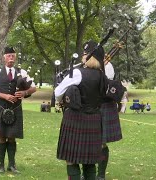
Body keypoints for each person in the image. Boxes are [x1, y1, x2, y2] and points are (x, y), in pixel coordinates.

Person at [55, 40, 106, 180]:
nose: (83, 56)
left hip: (75, 119)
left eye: (85, 53)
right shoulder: (103, 76)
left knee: (71, 159)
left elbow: (58, 92)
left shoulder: (78, 73)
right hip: (95, 120)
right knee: (89, 161)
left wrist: (62, 101)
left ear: (89, 56)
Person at [0, 46, 36, 173]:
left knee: (12, 136)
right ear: (4, 57)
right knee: (2, 136)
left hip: (15, 108)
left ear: (15, 57)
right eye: (9, 55)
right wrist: (5, 96)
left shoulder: (22, 72)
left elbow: (33, 88)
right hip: (1, 107)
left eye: (13, 55)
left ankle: (12, 165)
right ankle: (1, 165)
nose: (11, 58)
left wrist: (25, 93)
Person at [97, 52, 123, 180]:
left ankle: (101, 175)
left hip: (104, 105)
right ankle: (88, 173)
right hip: (92, 105)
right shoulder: (90, 66)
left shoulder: (108, 66)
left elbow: (105, 84)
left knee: (102, 142)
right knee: (90, 142)